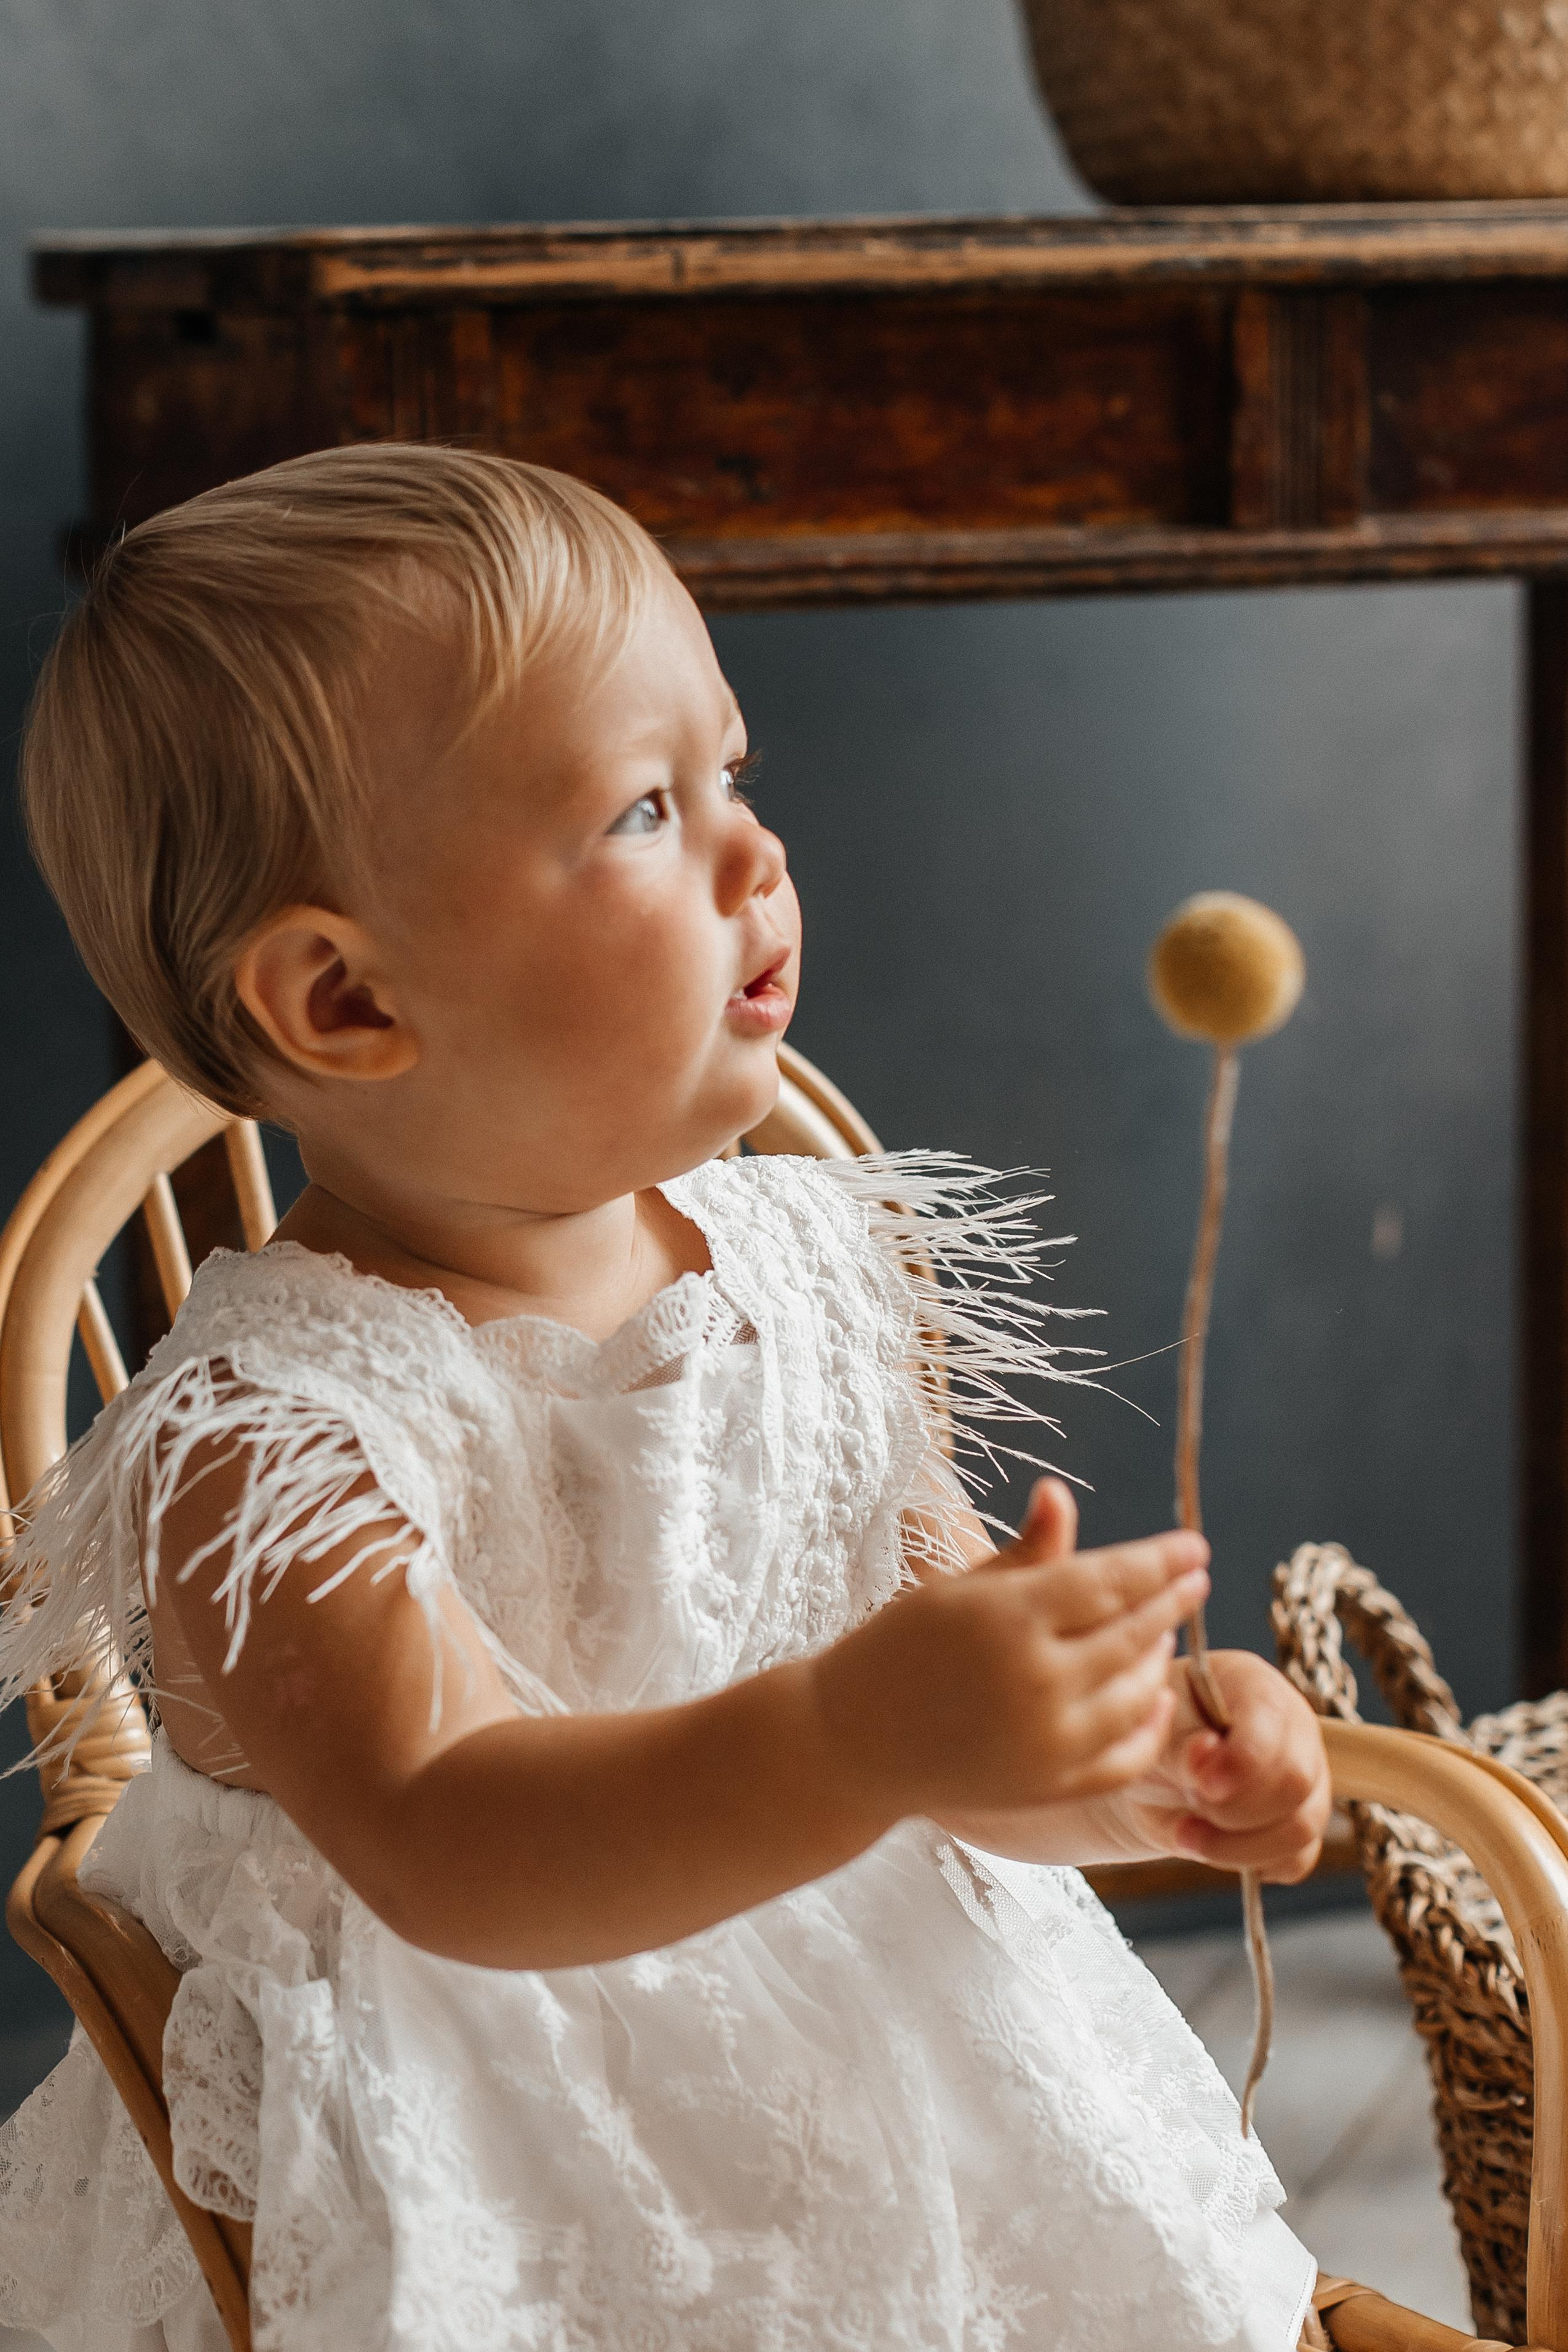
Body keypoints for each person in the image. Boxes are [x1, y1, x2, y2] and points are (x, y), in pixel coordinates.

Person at [0, 445, 1331, 2352]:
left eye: (735, 775)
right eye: (644, 807)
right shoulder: (272, 1436)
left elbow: (951, 1724)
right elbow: (451, 1838)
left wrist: (1138, 1763)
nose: (755, 854)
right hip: (512, 2169)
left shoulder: (807, 1270)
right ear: (348, 1003)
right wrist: (853, 1734)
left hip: (888, 2094)